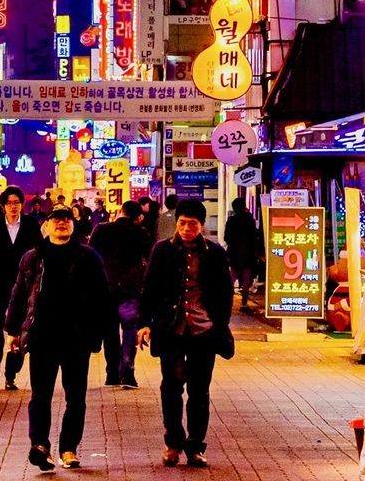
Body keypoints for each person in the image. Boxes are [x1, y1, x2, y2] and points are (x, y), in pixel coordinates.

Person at [4, 207, 112, 471]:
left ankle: (68, 448)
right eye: (56, 220)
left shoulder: (88, 257)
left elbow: (102, 297)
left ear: (73, 226)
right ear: (47, 226)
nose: (62, 223)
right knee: (40, 395)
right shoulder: (33, 257)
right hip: (42, 336)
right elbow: (20, 294)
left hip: (76, 338)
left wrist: (98, 333)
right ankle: (40, 445)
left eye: (66, 220)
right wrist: (12, 331)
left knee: (76, 397)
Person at [138, 198, 235, 468]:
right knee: (170, 386)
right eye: (182, 223)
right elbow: (149, 289)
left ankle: (195, 446)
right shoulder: (162, 251)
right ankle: (173, 442)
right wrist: (144, 323)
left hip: (203, 331)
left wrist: (219, 323)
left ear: (202, 226)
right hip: (170, 329)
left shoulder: (215, 253)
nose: (186, 228)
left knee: (199, 390)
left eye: (192, 224)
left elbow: (225, 293)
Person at [90, 199, 153, 388]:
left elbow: (90, 256)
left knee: (109, 331)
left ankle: (112, 374)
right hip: (130, 289)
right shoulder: (141, 233)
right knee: (129, 329)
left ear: (120, 211)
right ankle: (128, 372)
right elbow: (149, 261)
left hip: (105, 287)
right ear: (138, 217)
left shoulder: (101, 229)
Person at [0, 186, 37, 389]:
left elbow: (39, 251)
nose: (14, 206)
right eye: (10, 203)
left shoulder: (30, 223)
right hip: (0, 282)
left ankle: (10, 374)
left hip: (23, 284)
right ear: (3, 205)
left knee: (21, 329)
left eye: (17, 202)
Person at [224, 199, 263, 314]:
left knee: (232, 278)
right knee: (247, 279)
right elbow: (255, 237)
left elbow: (227, 237)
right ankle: (244, 303)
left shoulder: (231, 220)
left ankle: (227, 302)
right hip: (248, 254)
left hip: (234, 253)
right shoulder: (249, 220)